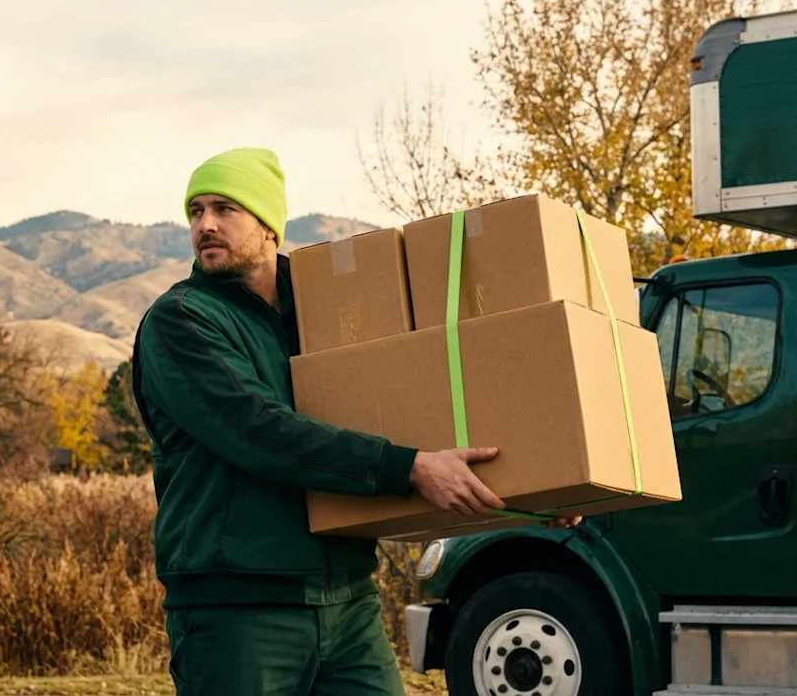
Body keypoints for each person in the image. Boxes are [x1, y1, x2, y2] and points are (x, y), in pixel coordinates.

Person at [130, 147, 577, 696]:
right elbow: (259, 432)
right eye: (196, 212)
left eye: (225, 208)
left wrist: (533, 494)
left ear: (269, 225)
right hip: (238, 607)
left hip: (346, 597)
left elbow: (416, 413)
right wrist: (409, 468)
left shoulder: (331, 309)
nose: (206, 225)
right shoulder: (180, 321)